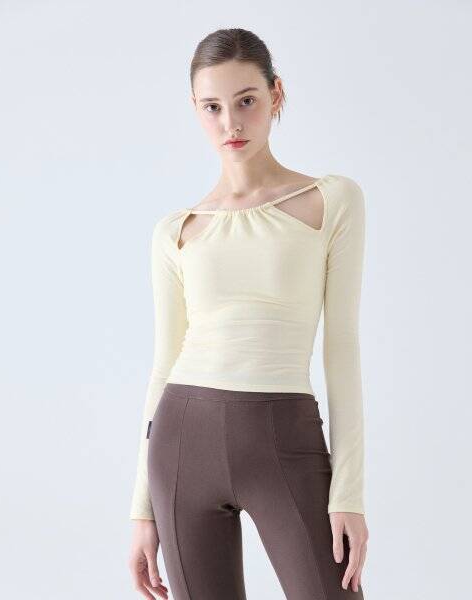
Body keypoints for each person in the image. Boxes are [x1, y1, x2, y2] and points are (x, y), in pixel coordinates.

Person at [128, 27, 369, 600]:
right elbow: (163, 365)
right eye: (212, 107)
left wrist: (349, 494)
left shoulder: (330, 201)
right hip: (181, 442)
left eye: (246, 101)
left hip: (283, 436)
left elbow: (342, 348)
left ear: (276, 95)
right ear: (195, 108)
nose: (230, 123)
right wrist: (141, 509)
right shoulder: (176, 231)